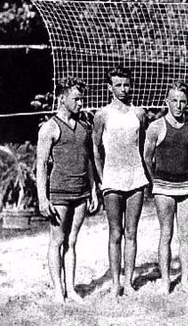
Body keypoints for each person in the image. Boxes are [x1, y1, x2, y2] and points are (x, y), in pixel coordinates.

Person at [36, 77, 99, 303]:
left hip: (81, 192)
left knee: (72, 241)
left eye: (81, 99)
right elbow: (41, 165)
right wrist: (43, 198)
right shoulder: (49, 128)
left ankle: (70, 289)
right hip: (59, 192)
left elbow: (89, 161)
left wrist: (93, 190)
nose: (81, 104)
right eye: (76, 99)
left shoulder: (84, 127)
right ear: (62, 99)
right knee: (57, 240)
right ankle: (57, 291)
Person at [92, 66, 150, 296]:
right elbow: (95, 148)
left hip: (136, 177)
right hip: (112, 178)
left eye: (126, 84)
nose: (123, 89)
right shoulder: (102, 115)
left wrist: (147, 175)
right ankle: (116, 283)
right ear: (110, 88)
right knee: (115, 233)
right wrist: (101, 177)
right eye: (118, 85)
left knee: (131, 232)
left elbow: (142, 145)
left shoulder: (139, 113)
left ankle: (129, 282)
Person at [144, 82, 188, 294]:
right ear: (167, 101)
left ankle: (184, 280)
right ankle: (166, 280)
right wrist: (155, 182)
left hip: (187, 187)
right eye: (174, 101)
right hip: (163, 187)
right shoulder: (156, 127)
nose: (178, 105)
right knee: (166, 234)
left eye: (183, 101)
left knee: (185, 235)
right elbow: (147, 158)